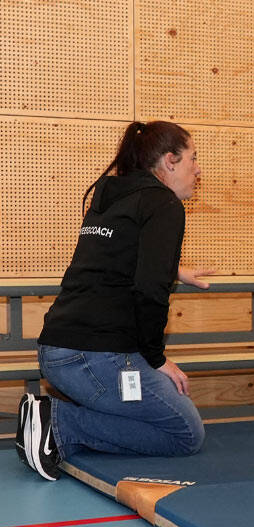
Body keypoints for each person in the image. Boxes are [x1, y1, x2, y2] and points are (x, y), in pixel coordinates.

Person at [16, 120, 207, 481]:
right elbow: (150, 291)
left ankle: (53, 420)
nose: (198, 170)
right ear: (170, 161)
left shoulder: (114, 196)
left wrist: (173, 268)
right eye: (192, 159)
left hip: (57, 349)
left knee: (159, 416)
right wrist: (156, 359)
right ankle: (59, 423)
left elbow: (113, 257)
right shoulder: (163, 203)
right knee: (185, 432)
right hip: (95, 357)